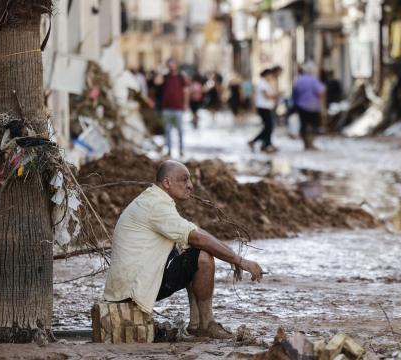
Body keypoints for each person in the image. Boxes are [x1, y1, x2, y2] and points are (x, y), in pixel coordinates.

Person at [104, 160, 264, 339]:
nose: (190, 186)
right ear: (167, 183)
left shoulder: (154, 199)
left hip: (129, 285)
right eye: (184, 180)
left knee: (190, 250)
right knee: (202, 256)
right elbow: (197, 237)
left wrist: (232, 256)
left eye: (190, 180)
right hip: (132, 290)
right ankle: (205, 324)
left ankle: (195, 324)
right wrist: (239, 261)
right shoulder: (156, 206)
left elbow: (194, 232)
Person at [292, 62, 325, 150]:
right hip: (313, 107)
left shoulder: (299, 80)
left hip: (301, 106)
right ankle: (311, 144)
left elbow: (295, 92)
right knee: (313, 125)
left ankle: (305, 144)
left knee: (304, 125)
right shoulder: (314, 80)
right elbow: (321, 92)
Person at [161, 58, 188, 157]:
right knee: (167, 131)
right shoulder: (165, 77)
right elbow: (157, 82)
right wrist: (161, 71)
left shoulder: (181, 77)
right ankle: (168, 150)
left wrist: (186, 104)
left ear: (176, 65)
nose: (171, 65)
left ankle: (181, 149)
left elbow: (186, 91)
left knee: (180, 131)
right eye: (169, 64)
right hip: (167, 108)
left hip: (178, 108)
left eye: (172, 63)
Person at [248, 69, 278, 153]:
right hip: (263, 108)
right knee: (268, 127)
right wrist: (277, 95)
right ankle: (255, 141)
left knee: (269, 127)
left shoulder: (265, 83)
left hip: (266, 107)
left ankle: (266, 144)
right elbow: (267, 96)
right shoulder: (262, 83)